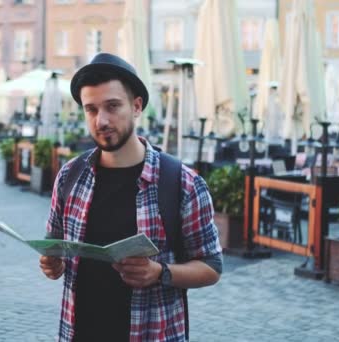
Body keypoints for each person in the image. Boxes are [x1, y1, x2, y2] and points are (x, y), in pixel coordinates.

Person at [39, 53, 222, 342]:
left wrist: (160, 272)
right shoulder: (70, 176)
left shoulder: (182, 183)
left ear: (137, 106)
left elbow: (211, 267)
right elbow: (55, 250)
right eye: (91, 109)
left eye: (112, 106)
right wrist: (53, 264)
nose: (101, 120)